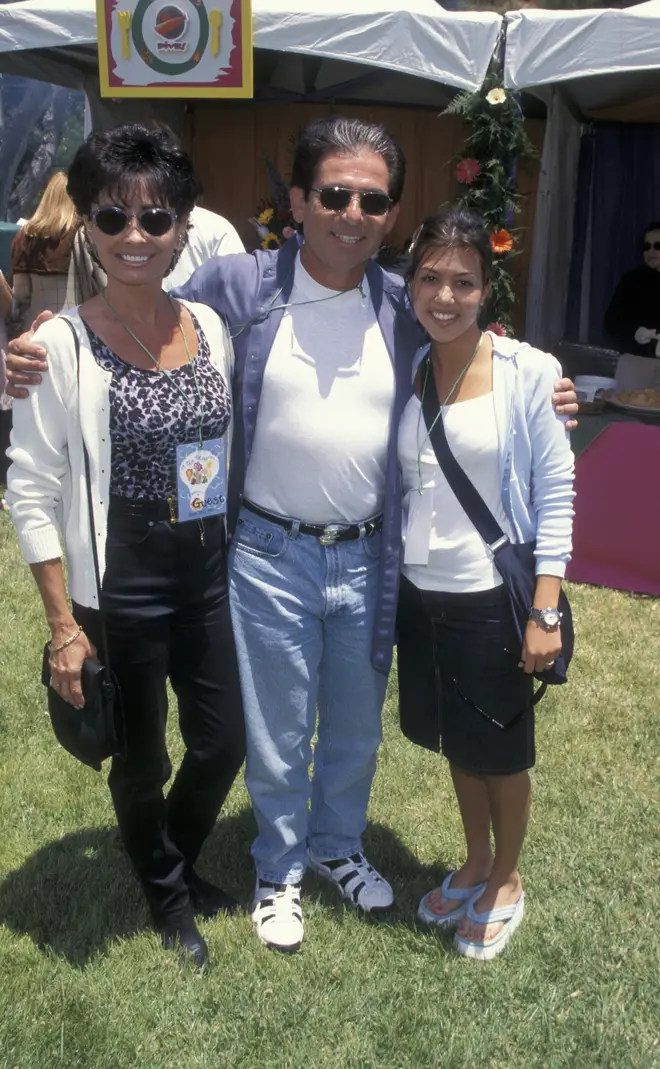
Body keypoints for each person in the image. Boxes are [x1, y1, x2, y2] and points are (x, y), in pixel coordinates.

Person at [5, 116, 579, 955]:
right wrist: (23, 358)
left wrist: (545, 380)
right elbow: (140, 311)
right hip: (266, 552)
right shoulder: (242, 286)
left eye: (372, 199)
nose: (352, 212)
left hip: (369, 552)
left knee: (351, 720)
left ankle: (337, 844)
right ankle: (278, 867)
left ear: (390, 212)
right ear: (302, 200)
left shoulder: (402, 301)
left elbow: (472, 333)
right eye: (334, 194)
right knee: (273, 724)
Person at [5, 124, 245, 970]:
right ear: (87, 230)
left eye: (157, 218)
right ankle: (168, 889)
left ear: (185, 224)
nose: (135, 237)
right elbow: (30, 486)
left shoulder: (213, 326)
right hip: (121, 589)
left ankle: (162, 854)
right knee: (141, 757)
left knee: (223, 741)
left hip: (206, 577)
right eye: (113, 218)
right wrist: (64, 624)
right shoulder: (55, 345)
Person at [396, 208, 574, 961]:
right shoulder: (408, 362)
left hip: (490, 594)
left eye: (462, 281)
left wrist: (546, 609)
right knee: (456, 740)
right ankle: (473, 857)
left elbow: (558, 490)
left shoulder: (527, 371)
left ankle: (507, 874)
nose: (445, 295)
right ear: (409, 286)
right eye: (430, 277)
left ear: (487, 288)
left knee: (501, 744)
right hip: (419, 592)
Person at [10, 172, 79, 330]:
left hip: (36, 328)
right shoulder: (84, 234)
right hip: (77, 328)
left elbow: (21, 294)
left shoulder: (25, 236)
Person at [604, 222, 660, 356]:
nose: (651, 251)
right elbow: (611, 322)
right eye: (646, 246)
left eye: (658, 246)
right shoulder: (631, 281)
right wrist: (634, 333)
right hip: (635, 360)